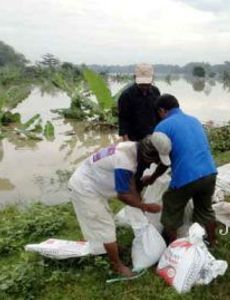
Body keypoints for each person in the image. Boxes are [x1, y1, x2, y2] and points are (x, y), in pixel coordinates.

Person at [68, 137, 163, 277]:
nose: (151, 165)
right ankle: (116, 265)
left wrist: (138, 200)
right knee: (105, 226)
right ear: (147, 155)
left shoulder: (131, 147)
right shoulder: (124, 162)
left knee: (101, 221)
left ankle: (106, 247)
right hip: (85, 187)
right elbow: (123, 196)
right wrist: (146, 207)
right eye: (153, 161)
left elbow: (130, 181)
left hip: (92, 182)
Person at [143, 94, 218, 246]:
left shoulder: (162, 127)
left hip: (186, 176)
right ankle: (213, 242)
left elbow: (164, 161)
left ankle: (175, 248)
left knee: (170, 209)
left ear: (162, 110)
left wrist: (152, 178)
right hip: (210, 172)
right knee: (205, 210)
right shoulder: (194, 120)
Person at [118, 63, 161, 192]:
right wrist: (127, 145)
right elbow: (123, 121)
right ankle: (137, 196)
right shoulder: (126, 96)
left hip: (153, 138)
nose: (144, 86)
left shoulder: (156, 92)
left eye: (147, 83)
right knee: (137, 170)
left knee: (154, 167)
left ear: (152, 79)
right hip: (135, 140)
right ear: (134, 78)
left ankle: (151, 193)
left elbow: (160, 115)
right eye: (141, 83)